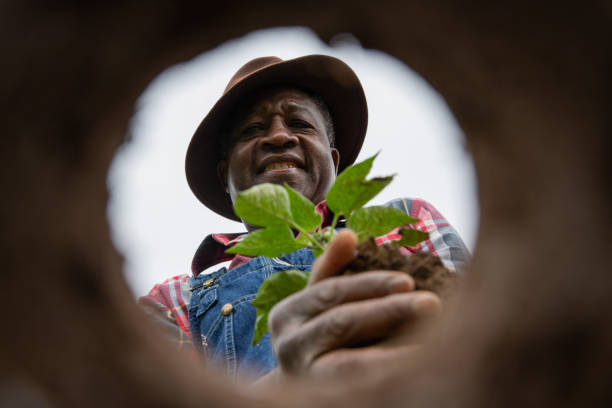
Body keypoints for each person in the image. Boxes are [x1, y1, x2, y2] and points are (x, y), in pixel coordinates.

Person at [139, 55, 470, 381]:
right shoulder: (177, 301)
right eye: (253, 129)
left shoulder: (405, 221)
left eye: (300, 124)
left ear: (333, 160)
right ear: (225, 175)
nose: (279, 136)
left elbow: (479, 331)